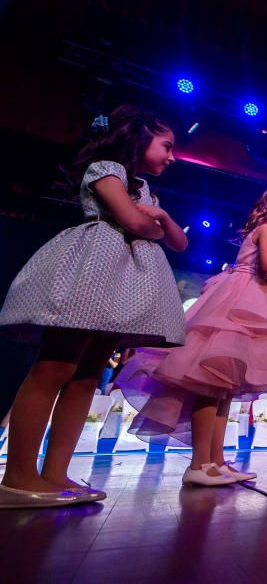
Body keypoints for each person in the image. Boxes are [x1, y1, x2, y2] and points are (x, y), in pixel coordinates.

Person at [0, 106, 187, 507]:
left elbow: (175, 240)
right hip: (91, 273)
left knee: (87, 375)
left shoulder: (145, 189)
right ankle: (17, 475)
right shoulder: (106, 168)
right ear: (138, 136)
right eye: (167, 146)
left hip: (120, 286)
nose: (172, 156)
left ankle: (55, 473)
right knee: (56, 366)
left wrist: (160, 217)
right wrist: (148, 220)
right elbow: (134, 224)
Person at [118, 186, 267, 485]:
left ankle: (216, 461)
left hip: (258, 297)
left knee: (225, 388)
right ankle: (199, 464)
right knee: (210, 383)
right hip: (240, 297)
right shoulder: (266, 229)